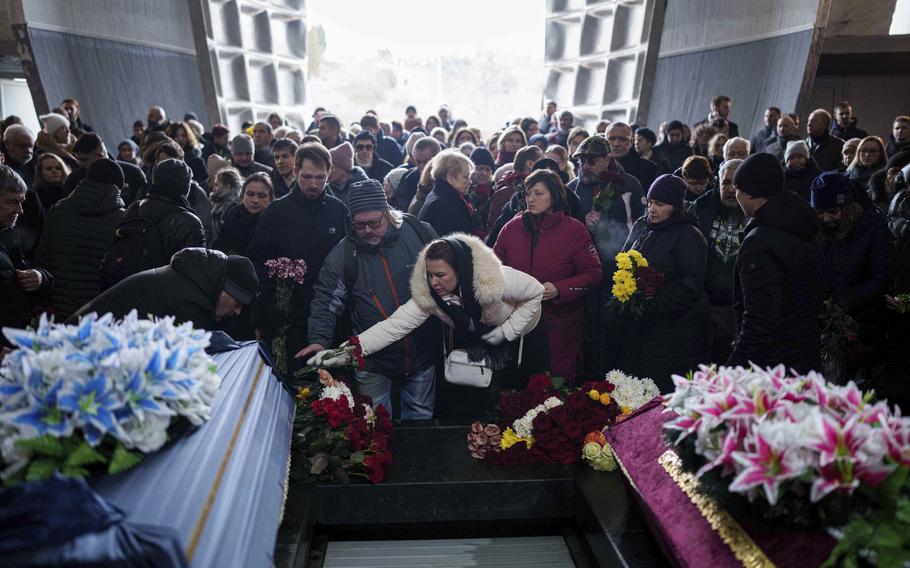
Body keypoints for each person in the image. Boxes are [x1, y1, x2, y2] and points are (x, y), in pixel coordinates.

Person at [308, 234, 546, 419]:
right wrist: (346, 352)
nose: (434, 282)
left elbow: (536, 291)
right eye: (429, 274)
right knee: (477, 402)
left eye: (441, 274)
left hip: (525, 333)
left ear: (460, 270)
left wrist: (507, 332)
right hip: (478, 340)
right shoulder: (430, 295)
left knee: (518, 404)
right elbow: (394, 326)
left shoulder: (494, 278)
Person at [299, 180, 439, 417]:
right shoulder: (343, 255)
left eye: (374, 223)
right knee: (373, 427)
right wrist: (319, 339)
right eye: (359, 225)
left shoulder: (418, 233)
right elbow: (326, 300)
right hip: (371, 360)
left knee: (420, 421)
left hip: (420, 353)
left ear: (387, 214)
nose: (367, 231)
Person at [247, 143, 347, 374]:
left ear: (329, 174)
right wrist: (265, 313)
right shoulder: (276, 213)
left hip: (332, 316)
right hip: (288, 320)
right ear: (295, 172)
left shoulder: (338, 210)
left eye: (320, 178)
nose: (314, 185)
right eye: (307, 177)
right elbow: (257, 262)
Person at [493, 169, 602, 380]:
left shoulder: (575, 230)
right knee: (516, 390)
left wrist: (559, 289)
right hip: (516, 322)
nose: (531, 199)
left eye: (538, 193)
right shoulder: (512, 228)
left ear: (554, 195)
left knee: (554, 391)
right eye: (528, 193)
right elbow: (493, 269)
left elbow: (593, 273)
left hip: (559, 324)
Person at [727, 153, 822, 373]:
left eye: (737, 189)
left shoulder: (759, 243)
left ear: (749, 192)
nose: (736, 195)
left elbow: (759, 320)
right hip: (805, 354)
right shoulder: (803, 226)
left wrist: (731, 371)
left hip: (772, 367)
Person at [615, 174, 709, 391]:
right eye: (650, 203)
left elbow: (690, 286)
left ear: (675, 207)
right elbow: (625, 258)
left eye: (660, 204)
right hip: (641, 328)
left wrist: (651, 301)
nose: (652, 209)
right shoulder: (642, 225)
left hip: (674, 332)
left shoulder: (688, 235)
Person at [811, 172, 891, 382]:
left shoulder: (873, 227)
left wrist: (843, 303)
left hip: (863, 322)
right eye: (820, 212)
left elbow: (879, 277)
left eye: (833, 212)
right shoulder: (815, 228)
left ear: (848, 208)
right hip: (823, 320)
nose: (826, 218)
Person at [70, 248, 257, 331]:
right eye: (237, 302)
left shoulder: (192, 283)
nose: (237, 311)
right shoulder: (189, 301)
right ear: (224, 289)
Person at [36, 159, 126, 319]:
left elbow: (43, 256)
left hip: (57, 304)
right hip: (97, 308)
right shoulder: (122, 219)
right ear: (118, 186)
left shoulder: (59, 209)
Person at [693, 159, 747, 362]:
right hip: (705, 302)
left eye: (736, 184)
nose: (730, 189)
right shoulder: (702, 207)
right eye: (726, 183)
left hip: (739, 305)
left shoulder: (756, 211)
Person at [0, 166, 52, 347]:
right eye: (12, 202)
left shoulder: (7, 234)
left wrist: (40, 277)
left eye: (21, 202)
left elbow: (23, 268)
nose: (20, 211)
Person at [65, 133, 147, 205]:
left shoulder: (134, 173)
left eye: (84, 159)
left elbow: (141, 207)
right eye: (78, 159)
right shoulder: (73, 180)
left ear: (100, 157)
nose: (79, 163)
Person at [213, 171, 273, 255]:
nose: (255, 200)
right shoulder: (234, 214)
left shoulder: (275, 218)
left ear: (270, 199)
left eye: (262, 196)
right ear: (242, 196)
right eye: (250, 194)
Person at [418, 149, 475, 237]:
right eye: (466, 177)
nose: (470, 182)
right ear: (450, 178)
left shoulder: (443, 197)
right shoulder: (440, 205)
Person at [486, 145, 543, 230]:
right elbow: (495, 227)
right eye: (542, 161)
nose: (545, 165)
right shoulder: (507, 191)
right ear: (530, 164)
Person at [608, 122, 658, 191]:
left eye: (622, 139)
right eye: (611, 139)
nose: (616, 144)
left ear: (631, 142)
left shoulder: (648, 169)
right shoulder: (596, 166)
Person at [327, 141, 368, 207]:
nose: (328, 171)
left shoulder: (365, 188)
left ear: (343, 168)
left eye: (331, 167)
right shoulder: (326, 187)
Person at [208, 167, 242, 242]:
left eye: (217, 185)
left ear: (228, 186)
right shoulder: (218, 202)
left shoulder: (232, 206)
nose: (214, 189)